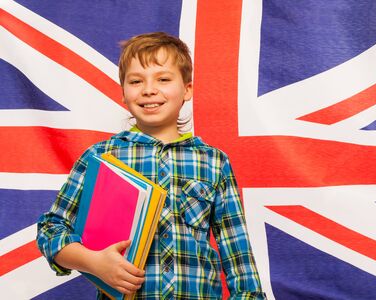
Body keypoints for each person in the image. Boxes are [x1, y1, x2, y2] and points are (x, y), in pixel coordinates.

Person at [36, 32, 266, 299]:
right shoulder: (100, 157)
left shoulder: (214, 162)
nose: (148, 89)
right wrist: (94, 263)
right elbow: (50, 230)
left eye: (163, 79)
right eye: (135, 81)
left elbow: (238, 253)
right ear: (123, 92)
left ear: (187, 89)